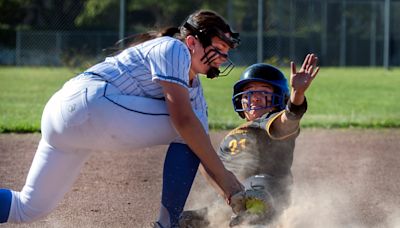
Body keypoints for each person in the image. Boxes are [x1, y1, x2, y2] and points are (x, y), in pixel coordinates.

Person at [0, 10, 244, 228]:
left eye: (226, 52)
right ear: (191, 41)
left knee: (28, 208)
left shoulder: (195, 92)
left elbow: (199, 147)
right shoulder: (174, 48)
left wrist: (231, 192)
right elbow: (184, 123)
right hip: (89, 103)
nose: (222, 57)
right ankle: (168, 225)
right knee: (191, 128)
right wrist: (227, 180)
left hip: (62, 114)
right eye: (218, 48)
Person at [179, 54, 319, 227]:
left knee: (257, 191)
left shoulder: (271, 120)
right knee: (186, 219)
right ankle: (227, 217)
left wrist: (297, 95)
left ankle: (255, 219)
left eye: (263, 92)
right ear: (240, 100)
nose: (255, 97)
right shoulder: (230, 138)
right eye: (249, 92)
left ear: (279, 99)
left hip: (269, 191)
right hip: (234, 197)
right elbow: (212, 170)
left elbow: (288, 122)